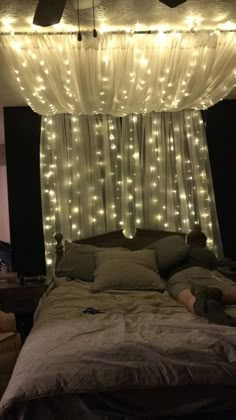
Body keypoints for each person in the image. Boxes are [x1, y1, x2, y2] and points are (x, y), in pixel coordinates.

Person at [167, 225, 236, 326]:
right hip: (199, 271)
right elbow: (215, 268)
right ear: (201, 242)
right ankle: (215, 293)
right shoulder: (206, 253)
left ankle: (198, 305)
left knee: (185, 296)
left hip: (175, 277)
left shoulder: (177, 253)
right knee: (230, 289)